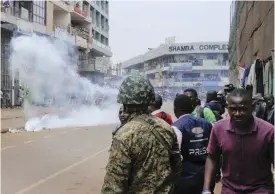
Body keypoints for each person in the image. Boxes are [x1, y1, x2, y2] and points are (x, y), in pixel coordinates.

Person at [101, 75, 182, 194]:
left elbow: (114, 186)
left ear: (124, 102)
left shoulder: (124, 135)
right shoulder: (166, 128)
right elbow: (176, 167)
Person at [203, 88, 274, 194]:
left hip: (260, 189)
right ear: (227, 108)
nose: (237, 113)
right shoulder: (219, 129)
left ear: (252, 107)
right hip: (230, 189)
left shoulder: (268, 132)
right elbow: (212, 158)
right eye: (233, 109)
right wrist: (206, 189)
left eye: (243, 109)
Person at [172, 94, 214, 194]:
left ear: (175, 109)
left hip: (185, 180)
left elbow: (175, 157)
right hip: (207, 178)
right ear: (192, 108)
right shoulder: (208, 124)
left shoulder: (176, 127)